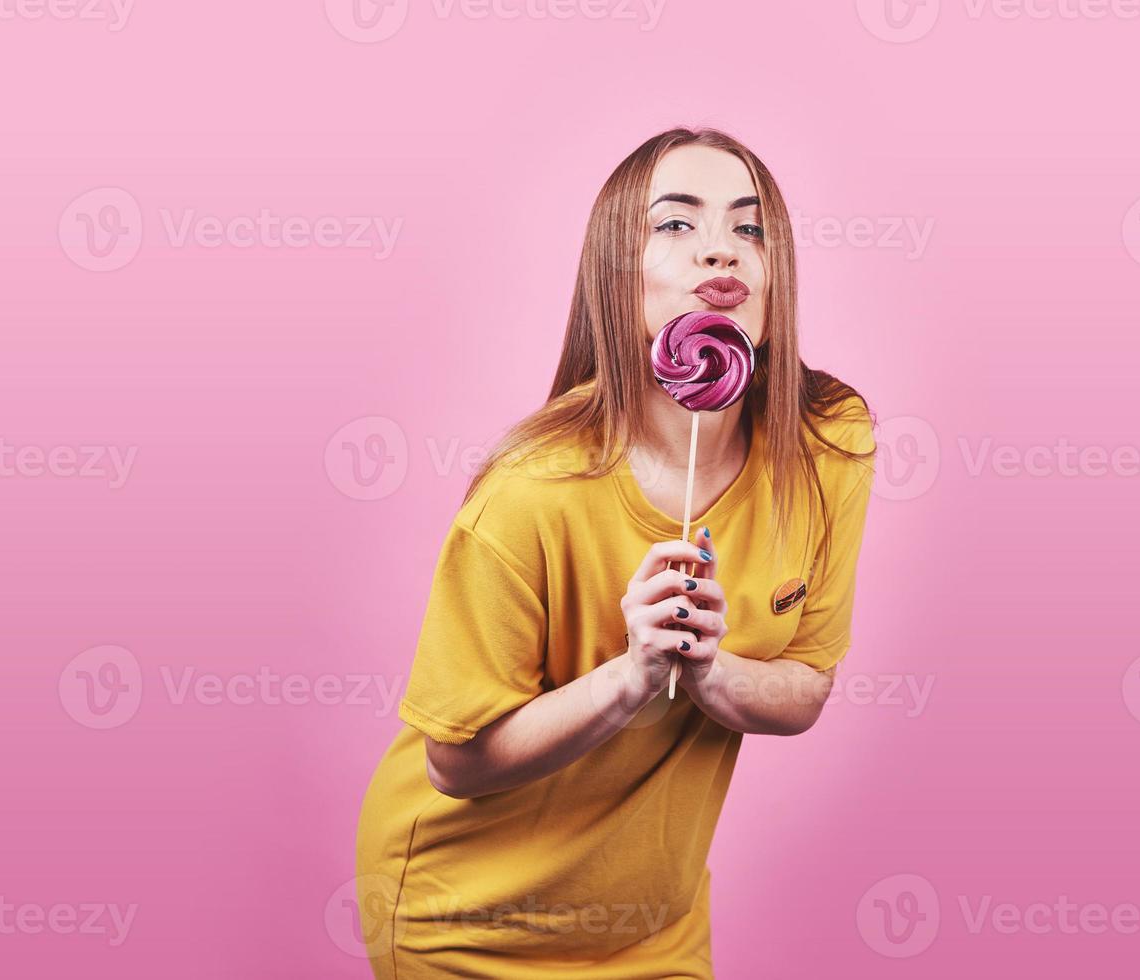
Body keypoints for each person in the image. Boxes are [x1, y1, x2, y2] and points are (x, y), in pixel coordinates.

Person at [354, 126, 876, 979]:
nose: (721, 245)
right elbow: (453, 762)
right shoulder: (531, 489)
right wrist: (631, 676)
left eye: (749, 228)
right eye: (675, 224)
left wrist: (712, 671)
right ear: (615, 275)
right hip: (468, 919)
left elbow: (806, 687)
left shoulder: (829, 443)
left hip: (653, 924)